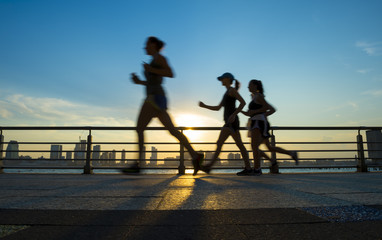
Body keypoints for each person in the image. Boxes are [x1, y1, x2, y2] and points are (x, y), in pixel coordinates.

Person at [122, 36, 203, 174]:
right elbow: (153, 81)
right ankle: (195, 155)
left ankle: (138, 164)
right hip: (157, 97)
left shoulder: (160, 58)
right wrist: (139, 82)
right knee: (172, 130)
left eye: (146, 44)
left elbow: (171, 74)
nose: (144, 47)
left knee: (140, 128)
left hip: (154, 97)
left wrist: (150, 70)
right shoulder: (153, 60)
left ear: (153, 44)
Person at [199, 72, 252, 175]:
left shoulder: (232, 90)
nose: (221, 81)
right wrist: (204, 106)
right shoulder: (227, 92)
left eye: (222, 79)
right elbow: (218, 108)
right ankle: (209, 167)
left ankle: (249, 168)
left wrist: (233, 115)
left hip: (232, 122)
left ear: (228, 79)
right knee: (223, 144)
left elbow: (243, 102)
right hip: (228, 123)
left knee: (238, 145)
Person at [241, 79, 298, 175]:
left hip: (258, 123)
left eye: (250, 85)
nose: (248, 87)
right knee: (268, 147)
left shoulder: (258, 96)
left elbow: (269, 108)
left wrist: (259, 114)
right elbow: (252, 112)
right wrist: (240, 111)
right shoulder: (254, 97)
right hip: (257, 122)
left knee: (254, 146)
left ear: (255, 86)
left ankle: (257, 169)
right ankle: (291, 153)